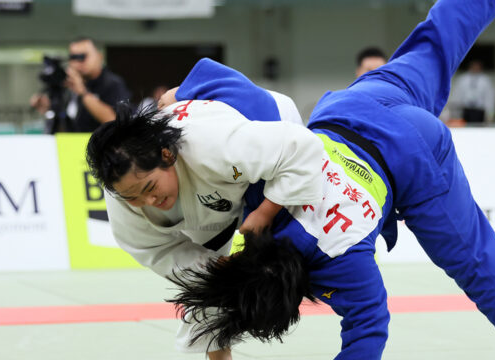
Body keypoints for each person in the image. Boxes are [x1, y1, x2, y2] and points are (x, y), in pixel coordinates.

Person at [166, 0, 495, 359]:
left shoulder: (343, 268)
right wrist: (178, 96)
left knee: (472, 258)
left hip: (412, 153)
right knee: (437, 41)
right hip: (356, 106)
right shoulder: (252, 203)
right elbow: (239, 93)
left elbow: (369, 330)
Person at [85, 58, 320, 360]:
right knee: (209, 290)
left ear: (167, 155)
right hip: (209, 205)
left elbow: (303, 149)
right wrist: (211, 268)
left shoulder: (215, 144)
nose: (146, 202)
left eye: (149, 188)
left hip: (269, 138)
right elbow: (157, 251)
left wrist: (264, 213)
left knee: (302, 258)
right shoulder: (123, 197)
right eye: (132, 197)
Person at [31, 37, 131, 132]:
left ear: (99, 57)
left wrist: (83, 92)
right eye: (73, 57)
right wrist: (50, 106)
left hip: (101, 147)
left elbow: (115, 121)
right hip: (73, 146)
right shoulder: (68, 85)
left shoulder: (112, 83)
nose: (78, 62)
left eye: (82, 57)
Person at [451, 59, 495, 124]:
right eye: (474, 66)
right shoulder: (463, 79)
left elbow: (489, 97)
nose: (475, 68)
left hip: (479, 110)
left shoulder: (485, 80)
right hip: (466, 109)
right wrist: (455, 111)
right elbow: (457, 94)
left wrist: (490, 113)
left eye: (477, 66)